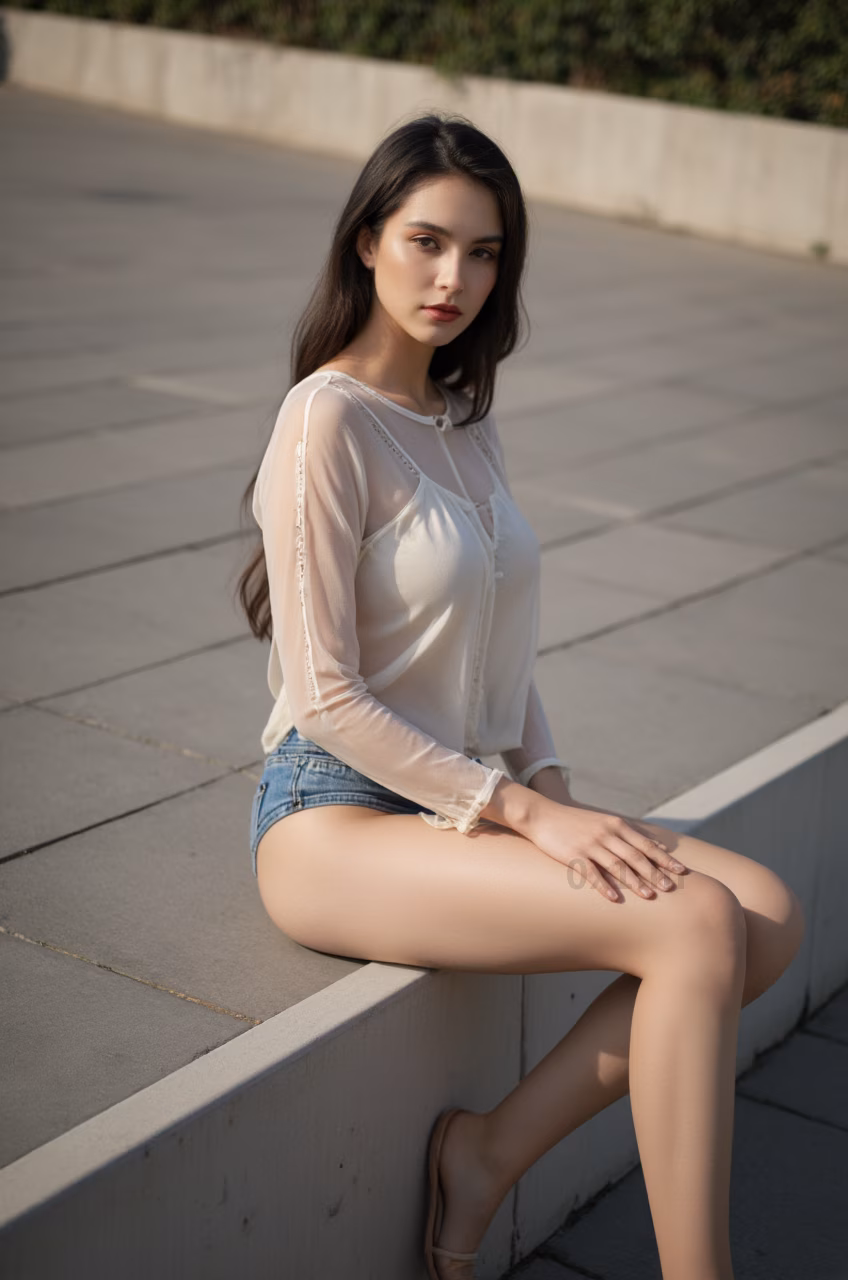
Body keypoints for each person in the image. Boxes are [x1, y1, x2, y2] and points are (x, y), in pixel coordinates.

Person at [237, 112, 805, 1280]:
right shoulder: (323, 420)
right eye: (426, 241)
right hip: (330, 817)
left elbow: (504, 648)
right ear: (364, 242)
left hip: (465, 799)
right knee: (692, 918)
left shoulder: (463, 422)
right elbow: (327, 695)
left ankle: (488, 1151)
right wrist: (529, 817)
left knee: (765, 916)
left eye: (485, 252)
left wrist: (554, 790)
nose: (455, 278)